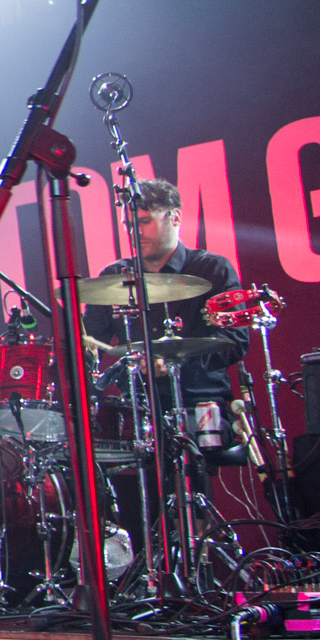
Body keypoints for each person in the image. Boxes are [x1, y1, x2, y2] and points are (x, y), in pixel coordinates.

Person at [83, 177, 247, 443]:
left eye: (145, 221)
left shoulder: (213, 269)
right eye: (129, 225)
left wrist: (175, 362)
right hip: (137, 408)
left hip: (200, 404)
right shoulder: (114, 276)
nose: (135, 231)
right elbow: (90, 343)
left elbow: (235, 341)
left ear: (175, 218)